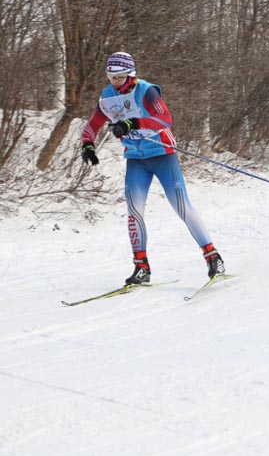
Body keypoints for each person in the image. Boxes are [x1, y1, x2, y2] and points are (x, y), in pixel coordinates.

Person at [80, 52, 224, 285]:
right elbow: (94, 123)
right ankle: (141, 267)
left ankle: (213, 257)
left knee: (182, 207)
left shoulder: (147, 91)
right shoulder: (107, 95)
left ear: (131, 74)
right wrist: (87, 143)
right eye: (111, 77)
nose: (115, 82)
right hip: (136, 159)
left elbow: (165, 119)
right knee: (134, 211)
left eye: (120, 77)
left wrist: (133, 122)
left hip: (162, 155)